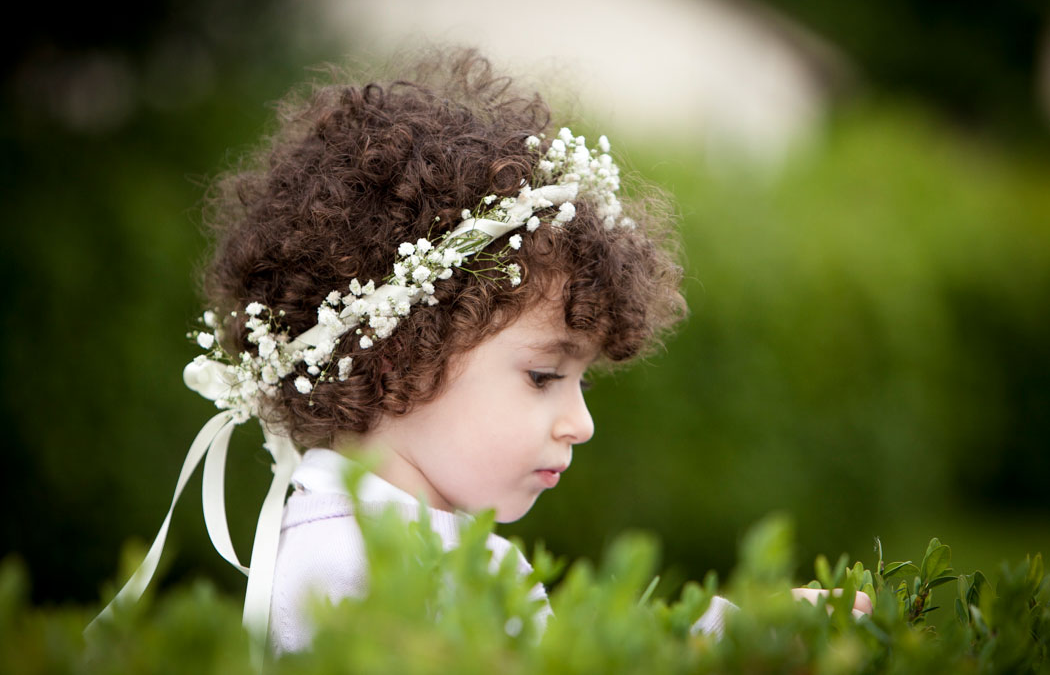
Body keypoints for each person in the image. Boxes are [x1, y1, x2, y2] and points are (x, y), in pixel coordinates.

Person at [91, 48, 867, 655]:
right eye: (543, 376)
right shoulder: (355, 573)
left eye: (581, 382)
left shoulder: (411, 547)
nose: (580, 423)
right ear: (394, 355)